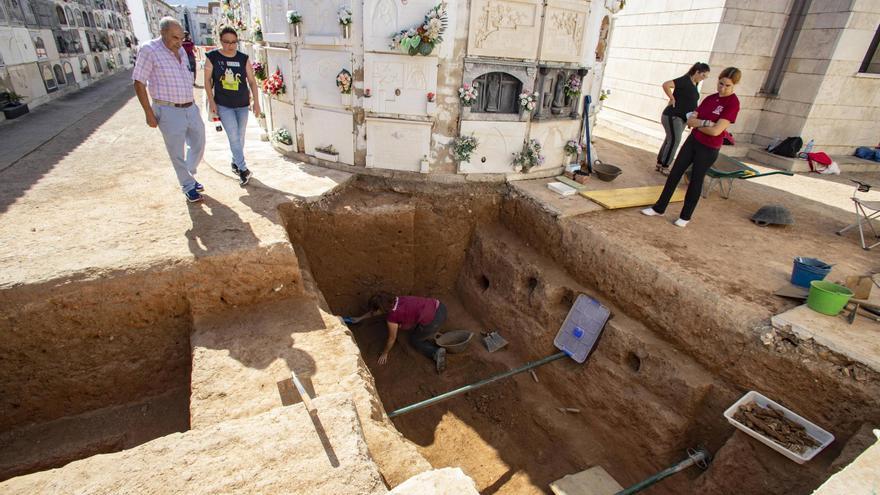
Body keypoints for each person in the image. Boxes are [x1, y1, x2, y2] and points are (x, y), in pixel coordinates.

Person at [642, 67, 742, 227]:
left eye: (727, 86)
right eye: (721, 83)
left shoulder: (733, 104)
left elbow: (716, 131)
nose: (722, 88)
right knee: (675, 173)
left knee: (696, 180)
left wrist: (701, 124)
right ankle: (659, 208)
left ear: (734, 85)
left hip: (709, 148)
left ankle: (685, 216)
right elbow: (690, 121)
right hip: (693, 141)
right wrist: (706, 123)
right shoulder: (710, 99)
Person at [133, 17, 206, 203]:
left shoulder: (180, 49)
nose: (179, 42)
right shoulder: (149, 50)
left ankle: (188, 174)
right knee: (176, 151)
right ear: (163, 33)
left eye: (181, 38)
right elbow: (139, 82)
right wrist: (148, 112)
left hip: (190, 106)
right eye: (175, 38)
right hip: (168, 109)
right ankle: (188, 186)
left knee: (199, 142)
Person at [204, 27, 260, 187]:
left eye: (234, 42)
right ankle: (243, 170)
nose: (230, 45)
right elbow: (207, 81)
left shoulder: (243, 58)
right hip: (224, 104)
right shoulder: (212, 57)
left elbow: (252, 81)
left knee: (240, 136)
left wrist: (256, 102)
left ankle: (235, 162)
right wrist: (212, 102)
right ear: (220, 41)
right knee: (233, 136)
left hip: (242, 104)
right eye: (226, 42)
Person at [346, 292, 448, 373]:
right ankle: (430, 332)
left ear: (381, 309)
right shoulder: (398, 299)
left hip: (434, 321)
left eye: (375, 310)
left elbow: (392, 338)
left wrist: (385, 353)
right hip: (440, 307)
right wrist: (359, 319)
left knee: (415, 340)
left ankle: (435, 352)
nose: (374, 313)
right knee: (416, 324)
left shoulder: (392, 317)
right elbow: (376, 311)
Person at [656, 62, 710, 174]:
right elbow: (666, 84)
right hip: (673, 115)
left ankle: (660, 163)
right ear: (697, 72)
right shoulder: (684, 80)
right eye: (703, 75)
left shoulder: (695, 84)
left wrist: (691, 119)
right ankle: (665, 166)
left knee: (670, 140)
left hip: (682, 118)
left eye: (706, 77)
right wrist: (672, 98)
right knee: (675, 141)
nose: (703, 78)